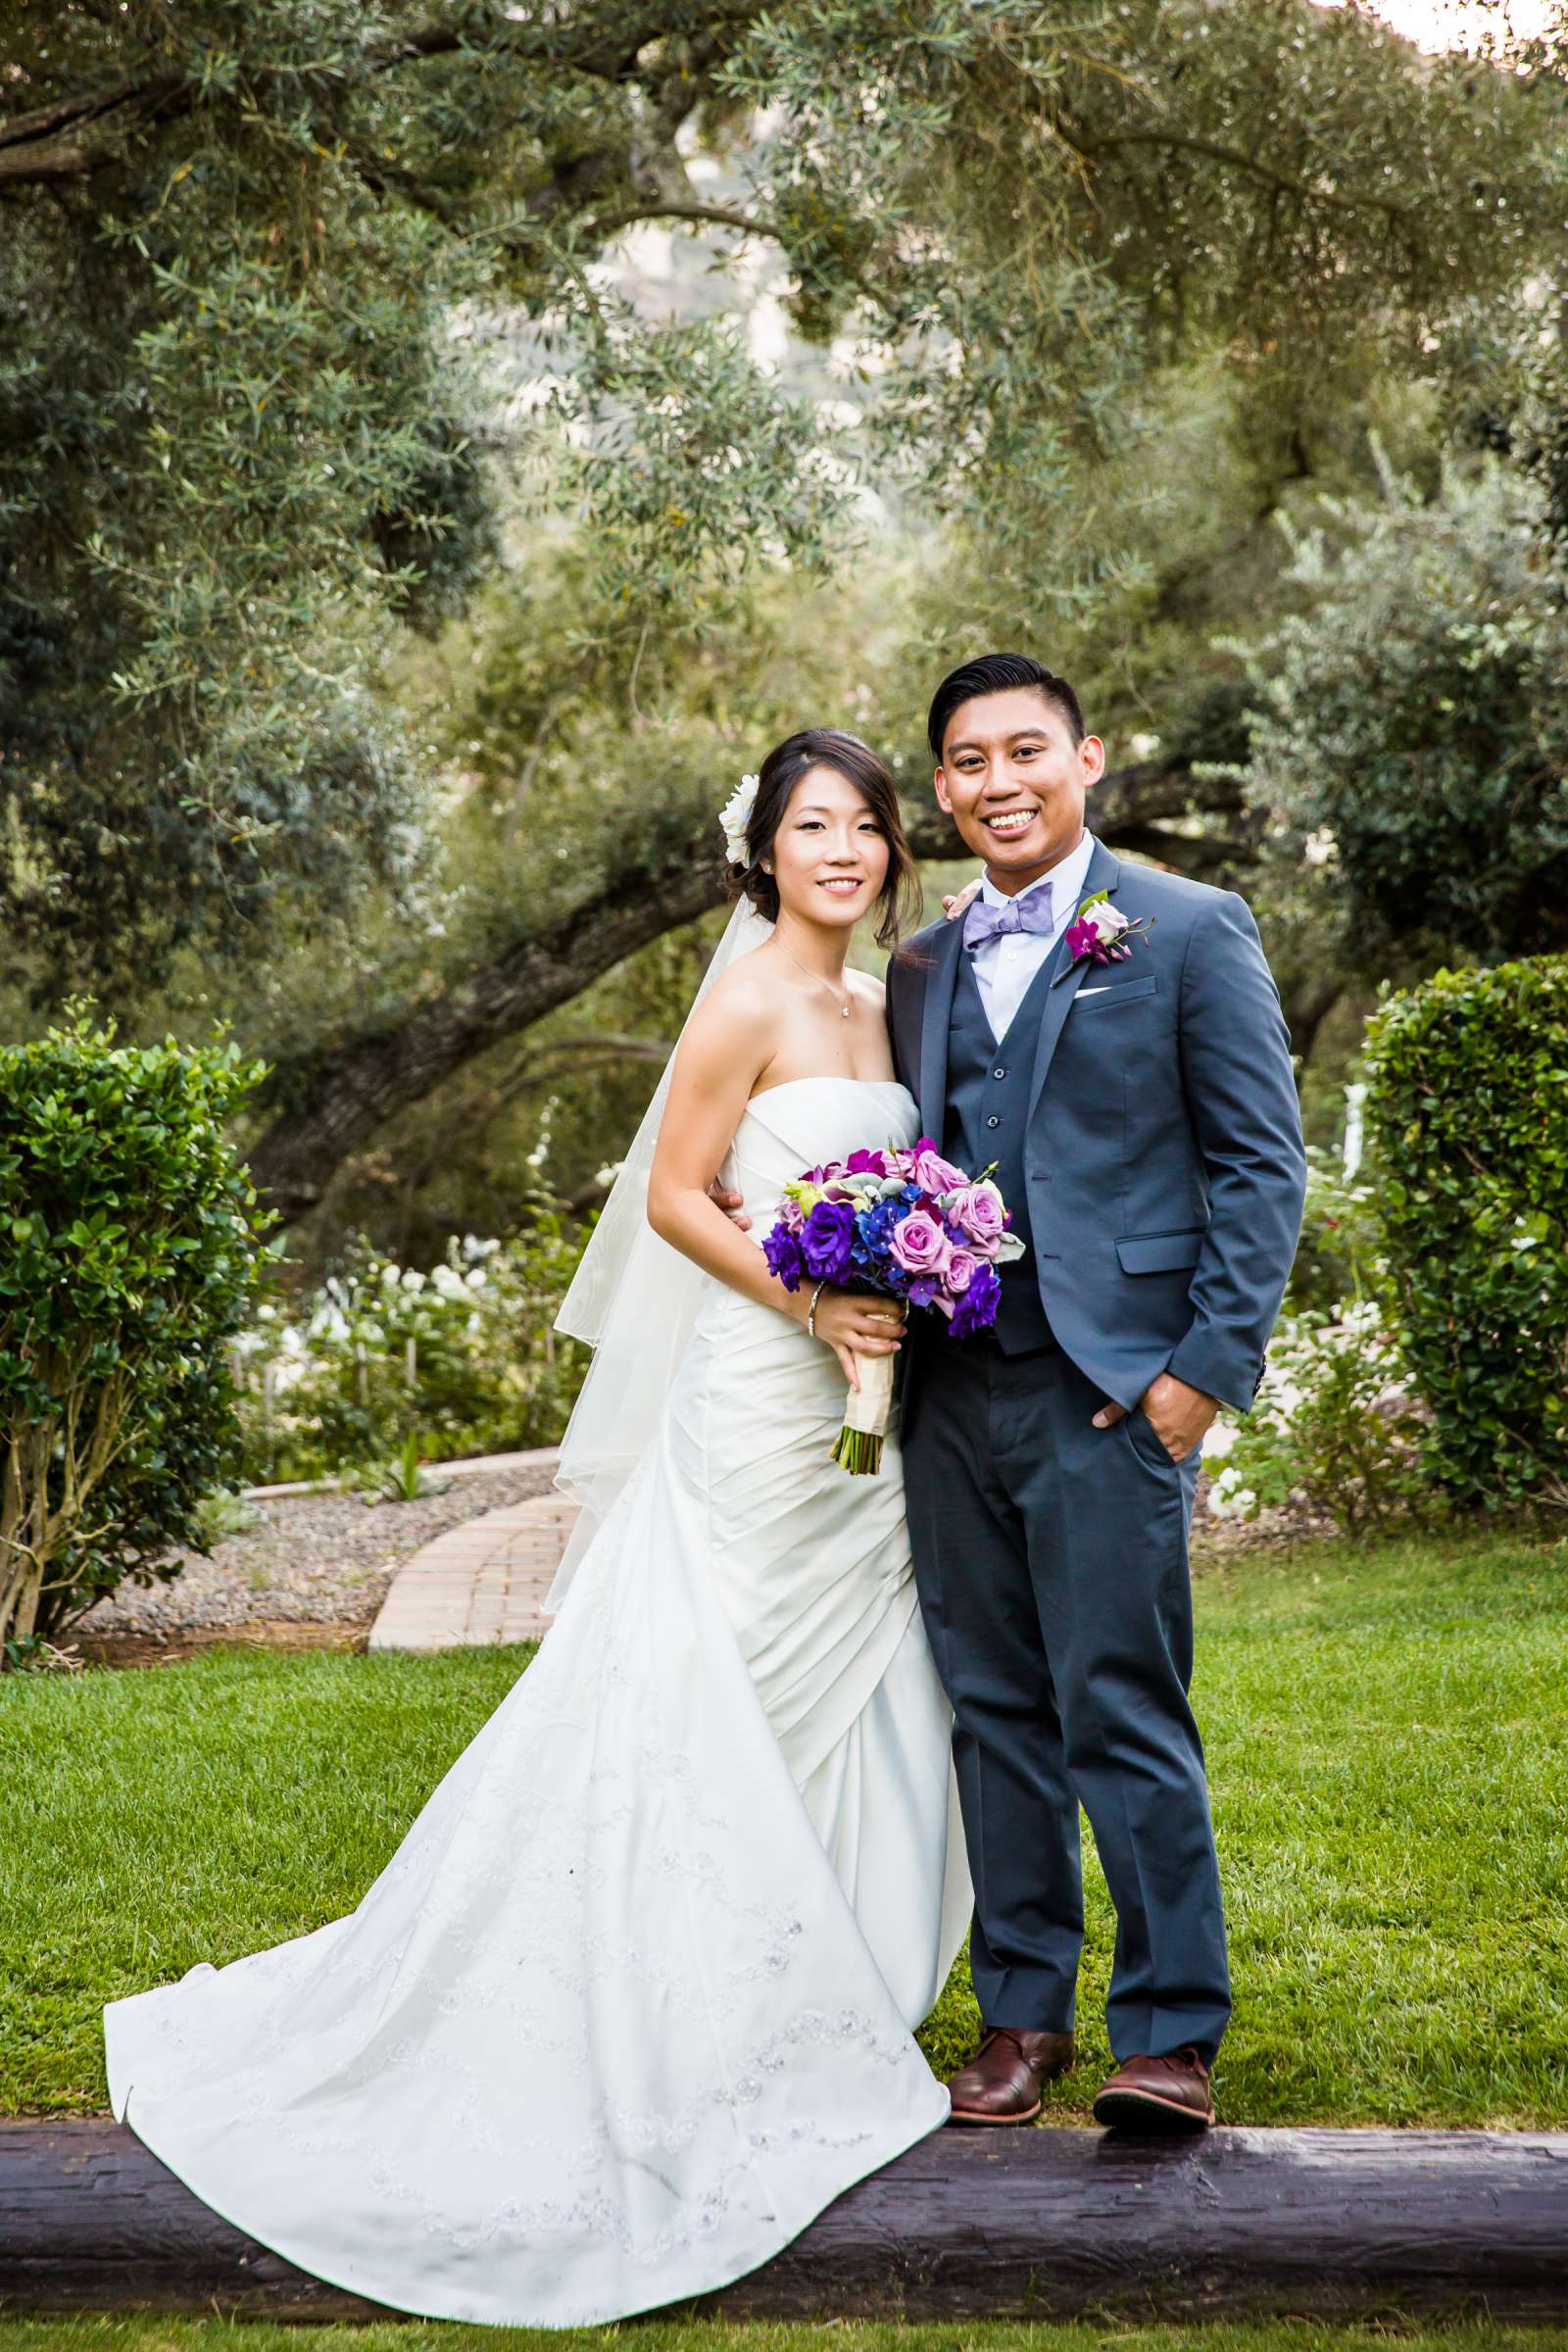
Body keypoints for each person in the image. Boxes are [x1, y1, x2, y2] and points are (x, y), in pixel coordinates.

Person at [101, 728, 971, 2328]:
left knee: (841, 1686)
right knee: (700, 1685)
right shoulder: (749, 996)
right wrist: (818, 1304)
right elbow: (677, 1196)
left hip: (868, 1413)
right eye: (811, 826)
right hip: (758, 1404)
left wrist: (903, 1291)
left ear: (891, 849)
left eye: (865, 825)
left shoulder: (889, 1000)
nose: (842, 849)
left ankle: (816, 1980)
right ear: (763, 852)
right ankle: (647, 1996)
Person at [887, 651, 1306, 2132]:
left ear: (1088, 758)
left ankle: (1170, 2030)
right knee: (994, 1709)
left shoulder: (1190, 930)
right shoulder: (924, 965)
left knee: (1120, 1702)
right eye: (966, 762)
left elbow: (1264, 1163)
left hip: (1113, 1393)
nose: (997, 782)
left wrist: (1202, 1377)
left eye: (1024, 752)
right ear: (941, 788)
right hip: (952, 1396)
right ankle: (1020, 2020)